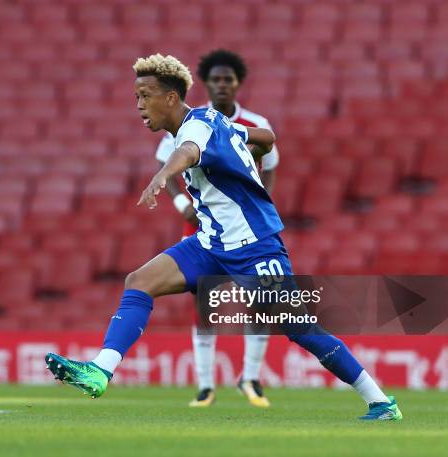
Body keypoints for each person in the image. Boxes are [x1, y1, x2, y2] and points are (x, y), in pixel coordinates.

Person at [46, 54, 402, 420]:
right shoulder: (214, 120)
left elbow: (188, 151)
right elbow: (267, 137)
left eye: (146, 96)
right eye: (136, 97)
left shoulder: (195, 126)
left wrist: (160, 177)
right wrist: (252, 147)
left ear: (170, 98)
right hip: (213, 243)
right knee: (140, 280)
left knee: (299, 327)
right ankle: (101, 370)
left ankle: (381, 402)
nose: (139, 105)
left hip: (254, 246)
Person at [155, 49, 278, 408]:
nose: (222, 84)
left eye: (229, 79)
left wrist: (258, 205)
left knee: (264, 300)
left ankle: (251, 378)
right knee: (203, 300)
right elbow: (169, 164)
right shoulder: (189, 122)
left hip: (247, 227)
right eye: (216, 79)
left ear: (238, 83)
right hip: (202, 223)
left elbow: (269, 163)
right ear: (206, 83)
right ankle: (206, 386)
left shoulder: (254, 122)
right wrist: (181, 204)